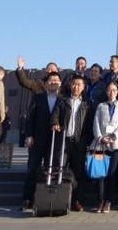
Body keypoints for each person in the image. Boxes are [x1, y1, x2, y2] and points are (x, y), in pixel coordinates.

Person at [21, 72, 64, 211]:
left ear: (60, 83)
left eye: (56, 80)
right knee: (32, 169)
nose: (53, 82)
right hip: (37, 140)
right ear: (46, 83)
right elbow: (30, 118)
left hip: (55, 142)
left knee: (50, 171)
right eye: (51, 80)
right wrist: (28, 135)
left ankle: (45, 200)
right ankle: (27, 199)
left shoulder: (63, 100)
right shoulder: (38, 98)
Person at [51, 75, 92, 212]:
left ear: (83, 87)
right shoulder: (62, 100)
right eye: (74, 84)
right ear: (70, 85)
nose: (76, 87)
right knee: (59, 169)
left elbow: (89, 124)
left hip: (79, 143)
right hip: (64, 141)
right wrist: (55, 123)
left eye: (79, 84)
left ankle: (76, 200)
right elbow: (54, 115)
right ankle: (59, 199)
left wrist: (86, 140)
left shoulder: (87, 103)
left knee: (78, 173)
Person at [91, 81, 118, 213]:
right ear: (106, 92)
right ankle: (100, 201)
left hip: (116, 144)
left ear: (117, 92)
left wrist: (113, 137)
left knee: (112, 174)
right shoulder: (101, 106)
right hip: (100, 145)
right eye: (109, 90)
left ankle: (108, 201)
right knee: (100, 174)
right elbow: (95, 123)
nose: (112, 93)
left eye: (114, 90)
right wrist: (100, 137)